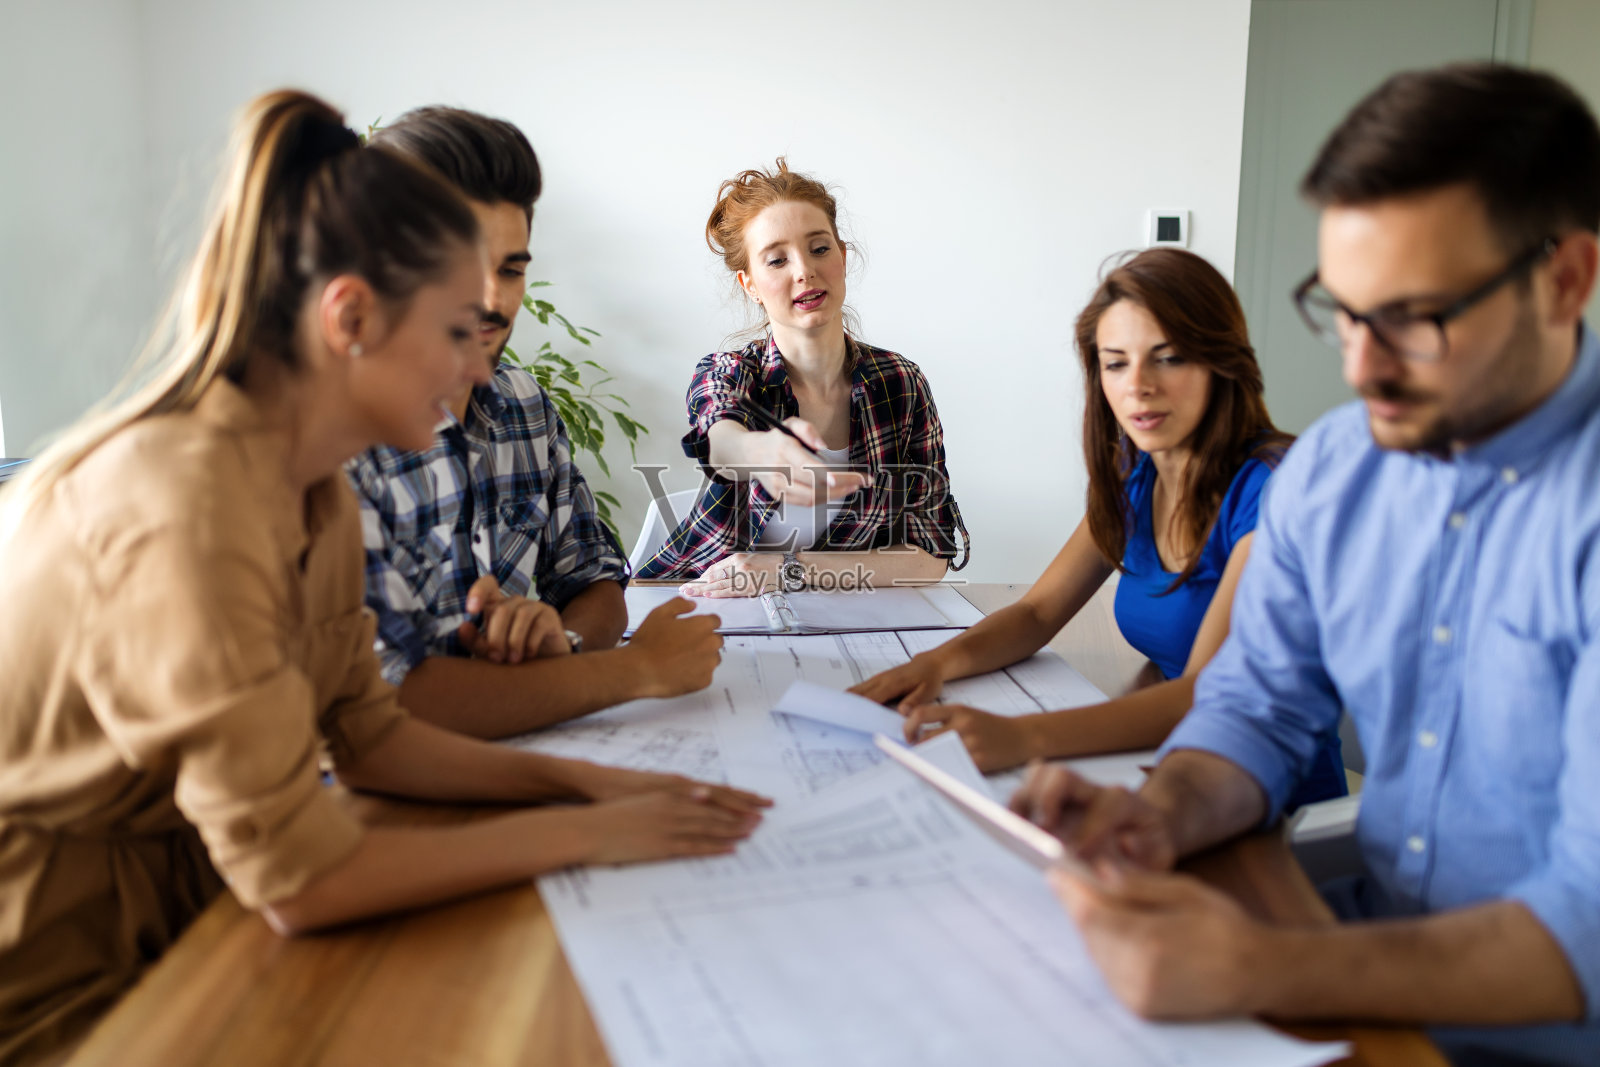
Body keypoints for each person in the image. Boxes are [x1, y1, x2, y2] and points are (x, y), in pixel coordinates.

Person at [0, 90, 767, 1065]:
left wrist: (580, 783)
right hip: (62, 983)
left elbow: (368, 735)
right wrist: (585, 832)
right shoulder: (184, 500)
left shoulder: (309, 487)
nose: (479, 366)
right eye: (454, 331)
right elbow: (297, 878)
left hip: (194, 917)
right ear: (351, 317)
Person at [1015, 64, 1600, 1065]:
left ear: (1565, 280)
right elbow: (1256, 707)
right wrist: (1157, 816)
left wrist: (1259, 964)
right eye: (1344, 310)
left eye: (1412, 317)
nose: (1360, 367)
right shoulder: (1335, 468)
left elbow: (1586, 922)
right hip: (1359, 951)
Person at [854, 248, 1345, 807]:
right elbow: (1038, 613)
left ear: (1221, 361)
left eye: (1169, 358)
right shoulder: (1134, 472)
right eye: (1116, 363)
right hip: (1167, 768)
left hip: (1269, 802)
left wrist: (1021, 737)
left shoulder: (1279, 488)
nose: (1138, 386)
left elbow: (1205, 694)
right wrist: (933, 666)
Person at [347, 107, 723, 740]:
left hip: (540, 749)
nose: (493, 300)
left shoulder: (523, 403)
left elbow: (595, 580)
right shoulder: (335, 440)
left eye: (512, 269)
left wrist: (562, 645)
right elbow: (385, 702)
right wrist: (635, 670)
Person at [634, 158, 969, 596]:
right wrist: (757, 450)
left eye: (819, 249)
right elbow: (719, 436)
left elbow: (931, 555)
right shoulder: (730, 371)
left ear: (843, 257)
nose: (804, 271)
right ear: (750, 284)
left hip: (840, 613)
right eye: (777, 260)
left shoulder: (901, 384)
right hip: (696, 598)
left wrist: (788, 569)